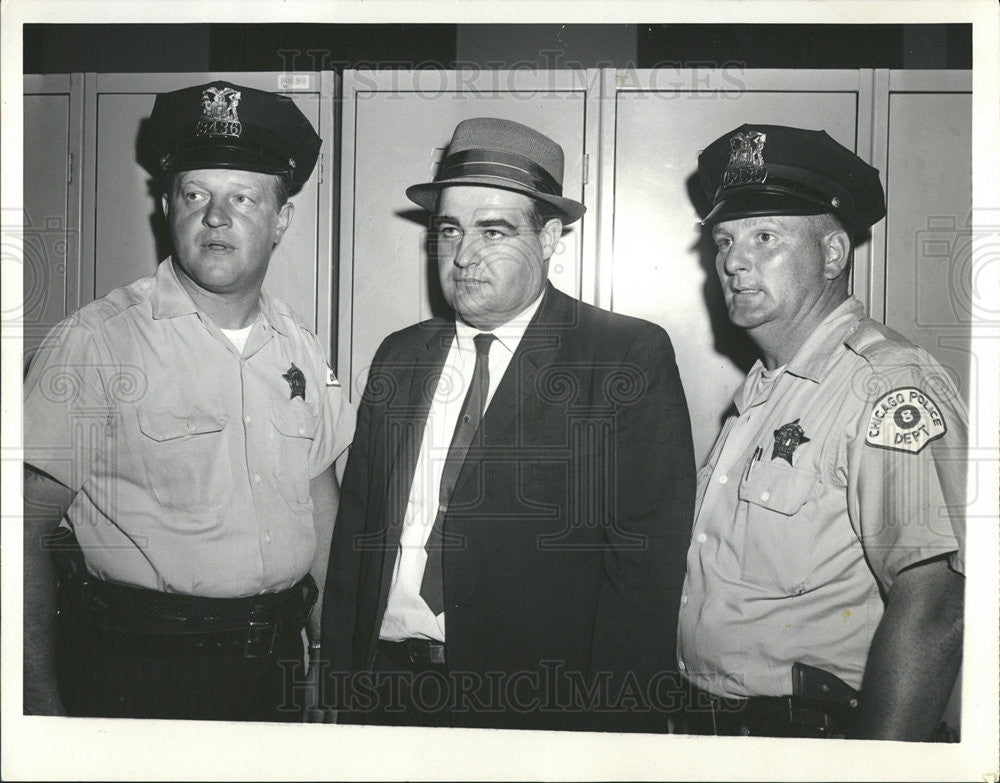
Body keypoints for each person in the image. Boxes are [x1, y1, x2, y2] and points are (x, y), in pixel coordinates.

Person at [320, 117, 695, 731]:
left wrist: (616, 739)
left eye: (493, 231)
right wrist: (340, 685)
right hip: (386, 692)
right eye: (450, 230)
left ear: (549, 238)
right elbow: (358, 529)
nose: (464, 256)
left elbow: (645, 568)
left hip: (537, 706)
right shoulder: (401, 355)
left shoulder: (623, 357)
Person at [22, 81, 355, 721]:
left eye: (244, 197)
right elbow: (22, 531)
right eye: (196, 194)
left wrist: (329, 661)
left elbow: (321, 513)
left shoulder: (302, 350)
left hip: (280, 665)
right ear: (168, 207)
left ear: (281, 217)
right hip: (141, 672)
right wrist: (39, 708)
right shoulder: (97, 342)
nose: (216, 217)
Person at [676, 124, 966, 740]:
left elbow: (936, 605)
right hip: (722, 734)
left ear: (833, 254)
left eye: (765, 237)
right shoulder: (768, 389)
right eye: (725, 240)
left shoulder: (883, 384)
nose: (733, 260)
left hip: (810, 740)